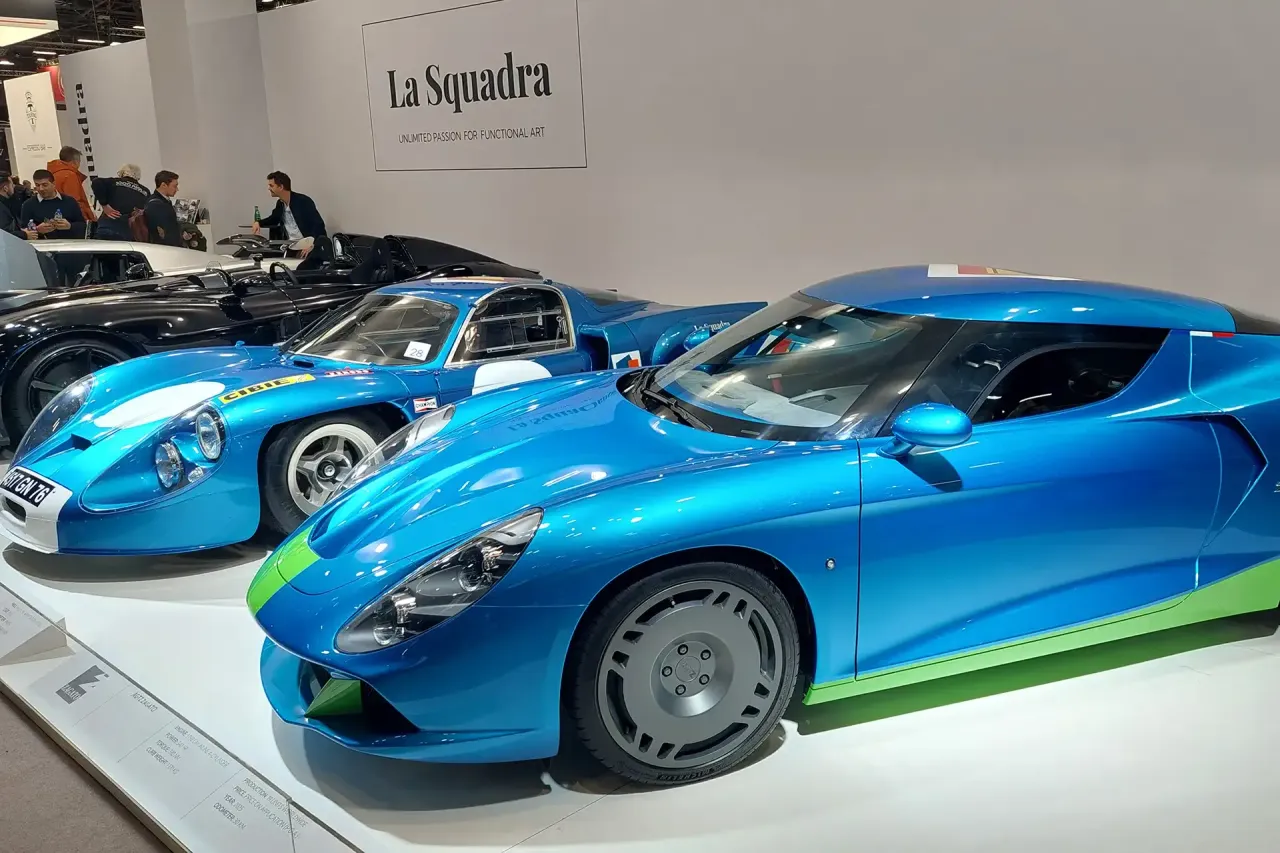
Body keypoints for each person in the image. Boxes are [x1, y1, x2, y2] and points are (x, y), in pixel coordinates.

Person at [253, 171, 325, 256]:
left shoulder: (303, 201)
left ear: (281, 187)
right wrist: (258, 222)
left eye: (271, 186)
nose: (268, 188)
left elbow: (318, 225)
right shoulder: (280, 203)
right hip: (290, 245)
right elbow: (274, 219)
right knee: (260, 254)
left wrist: (313, 244)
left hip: (306, 245)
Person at [19, 169, 86, 240]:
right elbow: (23, 232)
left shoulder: (70, 201)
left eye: (45, 185)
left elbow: (83, 226)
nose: (41, 189)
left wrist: (70, 226)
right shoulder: (28, 205)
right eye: (37, 185)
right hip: (42, 244)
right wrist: (37, 230)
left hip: (69, 243)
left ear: (53, 184)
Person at [92, 164, 151, 241]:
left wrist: (104, 205)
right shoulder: (145, 191)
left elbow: (96, 182)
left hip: (109, 226)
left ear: (122, 172)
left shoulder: (114, 182)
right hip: (131, 232)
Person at [47, 146, 96, 224]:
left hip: (58, 216)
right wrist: (86, 219)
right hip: (72, 220)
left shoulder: (52, 174)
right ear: (75, 162)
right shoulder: (70, 175)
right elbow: (75, 201)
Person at [144, 170, 182, 246]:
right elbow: (164, 232)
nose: (177, 189)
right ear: (163, 185)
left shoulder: (161, 201)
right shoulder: (156, 205)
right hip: (166, 248)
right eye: (174, 186)